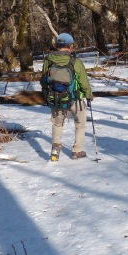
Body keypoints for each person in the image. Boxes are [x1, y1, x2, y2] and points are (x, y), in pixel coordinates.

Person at [41, 32, 93, 161]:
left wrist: (47, 93)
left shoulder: (48, 60)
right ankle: (77, 151)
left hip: (56, 99)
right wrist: (88, 95)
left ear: (57, 45)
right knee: (80, 124)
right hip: (76, 99)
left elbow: (43, 80)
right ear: (70, 46)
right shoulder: (75, 61)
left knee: (57, 124)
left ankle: (55, 151)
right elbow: (83, 81)